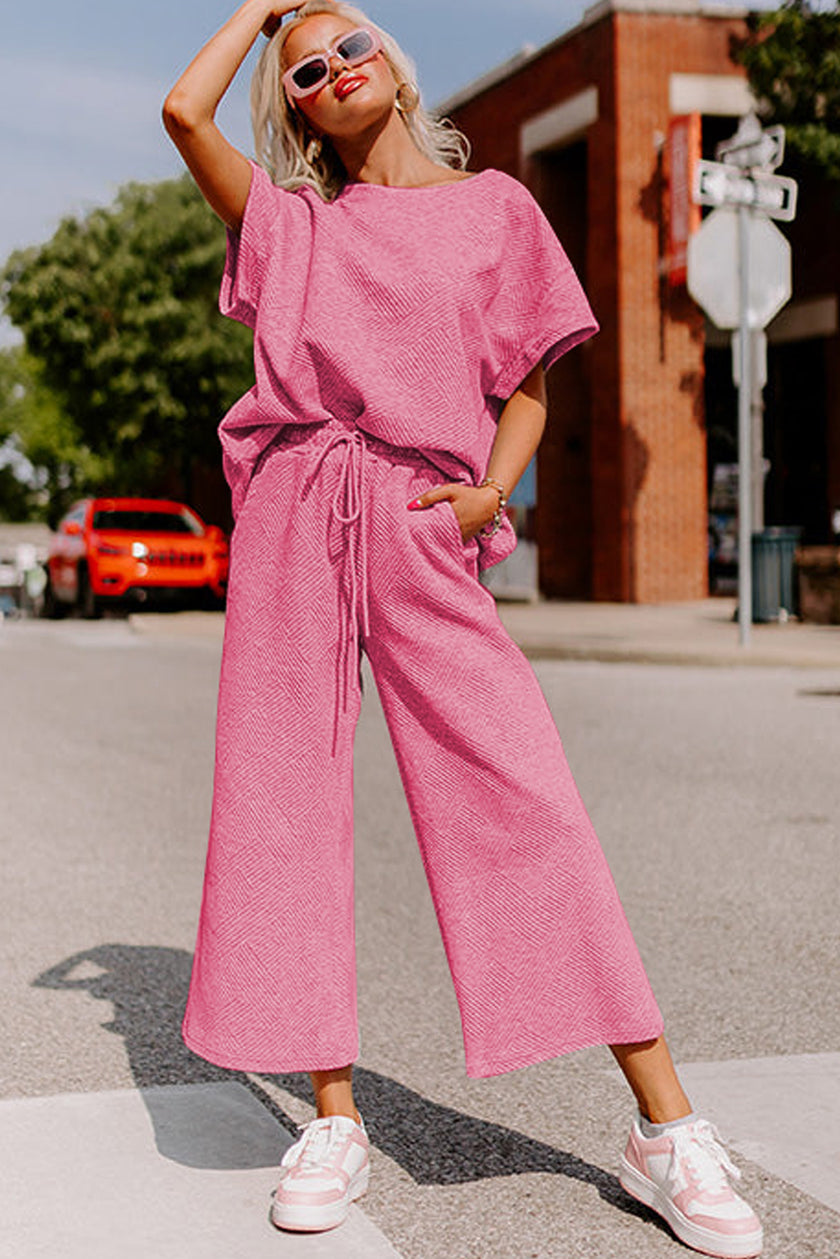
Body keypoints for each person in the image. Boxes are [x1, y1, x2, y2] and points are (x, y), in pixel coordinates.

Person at [162, 3, 763, 1255]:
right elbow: (181, 113)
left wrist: (492, 491)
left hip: (426, 510)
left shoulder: (497, 208)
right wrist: (262, 12)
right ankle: (333, 1113)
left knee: (523, 790)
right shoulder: (297, 223)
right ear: (301, 109)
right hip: (297, 506)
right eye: (307, 72)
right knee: (284, 800)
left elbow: (529, 381)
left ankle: (664, 1124)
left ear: (393, 62)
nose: (333, 72)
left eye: (348, 47)